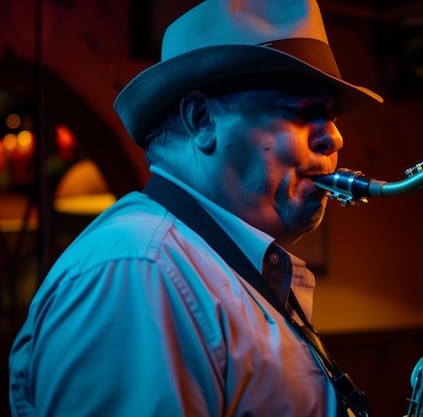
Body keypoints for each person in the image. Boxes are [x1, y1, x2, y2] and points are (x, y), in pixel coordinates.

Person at [9, 1, 382, 416]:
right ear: (202, 120)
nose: (335, 139)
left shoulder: (188, 267)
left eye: (331, 118)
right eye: (300, 111)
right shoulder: (138, 269)